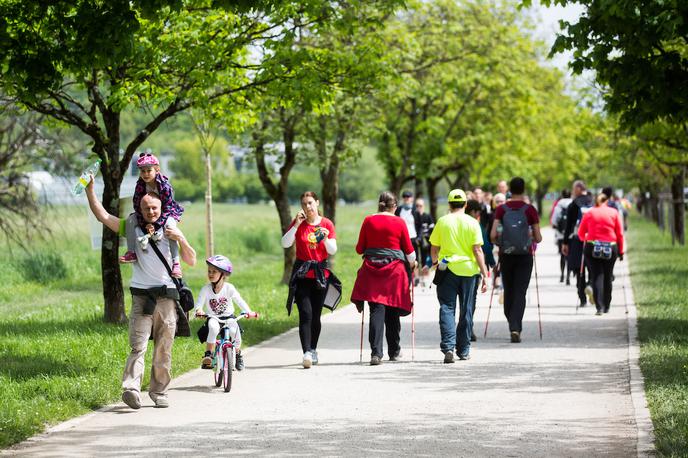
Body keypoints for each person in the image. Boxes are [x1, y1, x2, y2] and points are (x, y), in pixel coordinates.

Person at [84, 176, 197, 409]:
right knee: (138, 345)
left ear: (161, 207)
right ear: (140, 208)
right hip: (141, 297)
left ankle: (159, 392)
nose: (151, 211)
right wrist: (90, 191)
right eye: (146, 208)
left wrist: (182, 239)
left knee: (164, 349)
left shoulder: (171, 228)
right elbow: (103, 216)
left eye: (154, 207)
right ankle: (131, 389)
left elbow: (192, 260)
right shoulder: (132, 228)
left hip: (167, 298)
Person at [352, 192, 416, 365]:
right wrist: (413, 263)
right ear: (394, 206)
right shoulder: (399, 222)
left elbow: (359, 249)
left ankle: (376, 353)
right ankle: (394, 351)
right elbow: (410, 252)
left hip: (372, 271)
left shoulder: (368, 220)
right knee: (393, 311)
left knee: (376, 310)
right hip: (394, 272)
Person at [429, 189, 488, 363]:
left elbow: (434, 248)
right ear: (466, 204)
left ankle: (448, 347)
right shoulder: (472, 222)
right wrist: (485, 274)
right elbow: (477, 250)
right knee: (466, 310)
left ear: (449, 204)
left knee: (447, 307)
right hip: (469, 271)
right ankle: (463, 349)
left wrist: (435, 263)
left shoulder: (442, 221)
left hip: (447, 270)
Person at [281, 191, 338, 369]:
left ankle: (313, 349)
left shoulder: (327, 223)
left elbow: (332, 250)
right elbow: (285, 243)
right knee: (305, 313)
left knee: (316, 316)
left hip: (320, 274)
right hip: (302, 274)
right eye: (304, 203)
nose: (308, 207)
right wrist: (296, 225)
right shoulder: (298, 223)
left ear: (317, 203)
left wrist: (326, 237)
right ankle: (306, 352)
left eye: (311, 203)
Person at [490, 177, 542, 343]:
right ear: (524, 189)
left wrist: (500, 242)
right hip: (525, 256)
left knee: (510, 290)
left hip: (506, 255)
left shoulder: (501, 209)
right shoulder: (530, 210)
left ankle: (512, 322)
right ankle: (515, 326)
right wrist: (530, 237)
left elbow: (492, 235)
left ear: (510, 190)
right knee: (521, 291)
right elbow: (539, 238)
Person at [120, 151, 185, 279]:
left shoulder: (165, 186)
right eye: (142, 171)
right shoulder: (140, 185)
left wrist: (156, 224)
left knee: (170, 227)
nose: (145, 174)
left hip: (166, 212)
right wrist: (145, 222)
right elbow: (137, 205)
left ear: (157, 170)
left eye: (149, 171)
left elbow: (167, 207)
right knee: (130, 220)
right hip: (147, 213)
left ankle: (176, 262)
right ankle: (131, 252)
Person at [195, 255, 253, 371]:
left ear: (223, 274)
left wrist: (248, 312)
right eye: (209, 271)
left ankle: (237, 354)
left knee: (235, 333)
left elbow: (239, 300)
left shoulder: (229, 288)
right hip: (214, 317)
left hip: (229, 318)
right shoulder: (205, 289)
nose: (210, 274)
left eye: (214, 271)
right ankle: (209, 355)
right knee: (213, 328)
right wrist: (199, 311)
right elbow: (199, 304)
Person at [578, 193, 624, 315]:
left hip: (593, 247)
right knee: (608, 276)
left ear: (595, 201)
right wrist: (621, 251)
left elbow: (581, 233)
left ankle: (600, 307)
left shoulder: (589, 213)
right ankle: (607, 305)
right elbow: (619, 233)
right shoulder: (614, 212)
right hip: (611, 246)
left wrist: (585, 238)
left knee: (597, 275)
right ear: (607, 201)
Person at [465, 199, 495, 342]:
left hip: (452, 268)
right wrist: (490, 262)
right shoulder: (475, 225)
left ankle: (456, 330)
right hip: (472, 268)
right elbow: (485, 247)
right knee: (470, 301)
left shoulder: (450, 221)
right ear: (473, 212)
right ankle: (468, 329)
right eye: (478, 213)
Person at [562, 180, 594, 307]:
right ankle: (591, 285)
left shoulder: (573, 205)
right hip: (592, 240)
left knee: (578, 270)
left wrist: (565, 243)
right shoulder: (593, 201)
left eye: (574, 189)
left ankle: (582, 298)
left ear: (579, 189)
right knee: (593, 267)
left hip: (576, 240)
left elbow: (569, 226)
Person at [395, 190, 421, 281]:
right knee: (403, 259)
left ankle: (416, 277)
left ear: (412, 199)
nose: (406, 199)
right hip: (401, 239)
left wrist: (419, 237)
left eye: (408, 197)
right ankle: (405, 277)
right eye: (405, 197)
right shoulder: (399, 210)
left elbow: (419, 225)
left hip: (413, 237)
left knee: (414, 258)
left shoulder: (415, 210)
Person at [552, 189, 573, 284]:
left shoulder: (559, 205)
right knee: (570, 256)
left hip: (561, 235)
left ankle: (562, 275)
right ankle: (568, 276)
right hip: (571, 235)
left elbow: (554, 220)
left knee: (562, 255)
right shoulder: (574, 204)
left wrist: (556, 226)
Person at [415, 197, 435, 278]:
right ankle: (416, 276)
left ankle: (423, 276)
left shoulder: (427, 216)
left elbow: (432, 228)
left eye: (420, 206)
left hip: (426, 240)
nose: (419, 207)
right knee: (415, 258)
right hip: (415, 240)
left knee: (425, 258)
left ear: (424, 206)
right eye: (417, 206)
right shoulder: (413, 216)